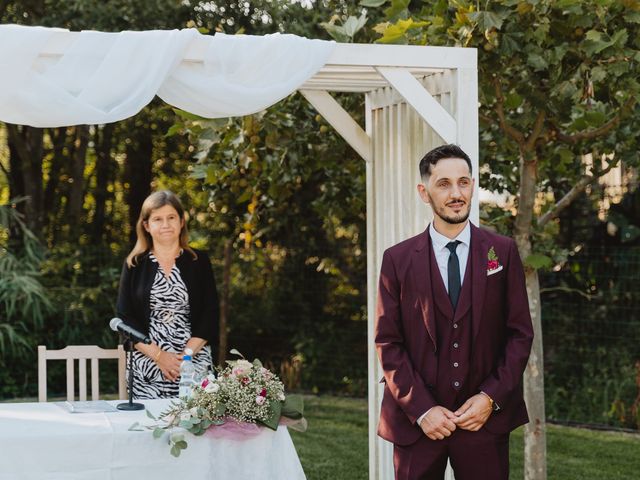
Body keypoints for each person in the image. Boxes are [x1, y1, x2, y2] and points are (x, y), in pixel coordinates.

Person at [375, 144, 534, 479]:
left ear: (473, 186)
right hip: (417, 425)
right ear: (424, 191)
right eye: (444, 184)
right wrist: (422, 410)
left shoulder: (501, 252)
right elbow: (388, 343)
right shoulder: (397, 260)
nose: (456, 193)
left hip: (483, 423)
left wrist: (490, 398)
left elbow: (519, 335)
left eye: (463, 182)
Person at [117, 190, 219, 399]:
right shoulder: (134, 264)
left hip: (193, 361)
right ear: (146, 225)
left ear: (181, 221)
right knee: (146, 427)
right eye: (158, 219)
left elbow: (210, 313)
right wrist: (159, 356)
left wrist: (186, 358)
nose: (165, 225)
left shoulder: (199, 262)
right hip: (147, 361)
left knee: (196, 426)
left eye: (171, 217)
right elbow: (125, 317)